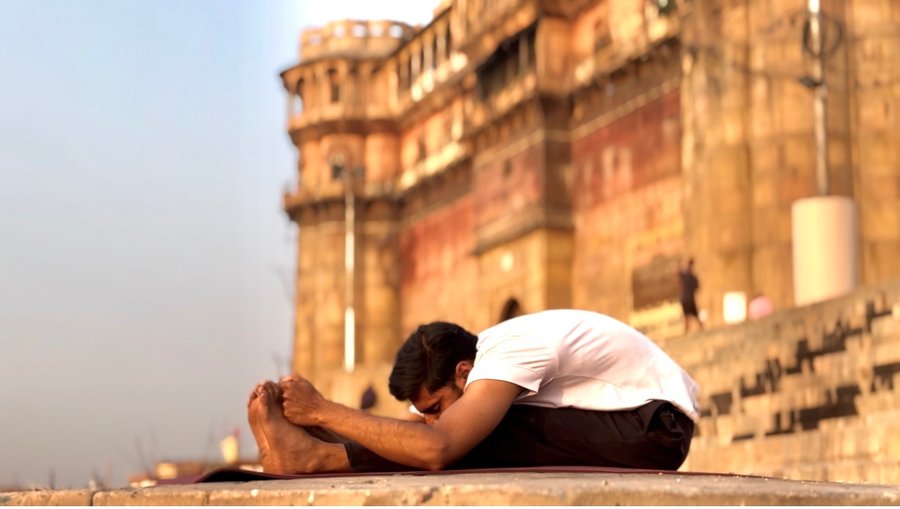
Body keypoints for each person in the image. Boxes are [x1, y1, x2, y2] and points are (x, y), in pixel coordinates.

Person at [246, 309, 700, 475]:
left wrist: (325, 411)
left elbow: (438, 446)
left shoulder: (510, 351)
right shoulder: (473, 361)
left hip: (655, 428)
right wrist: (328, 428)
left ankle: (314, 459)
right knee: (433, 434)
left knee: (462, 436)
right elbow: (413, 430)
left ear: (463, 372)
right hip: (620, 423)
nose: (430, 416)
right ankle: (313, 450)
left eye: (436, 405)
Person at [678, 258, 702, 333]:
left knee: (687, 317)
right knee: (692, 316)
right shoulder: (693, 277)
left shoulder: (686, 276)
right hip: (689, 299)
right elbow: (697, 288)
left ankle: (687, 331)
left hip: (685, 299)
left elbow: (679, 272)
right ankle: (689, 330)